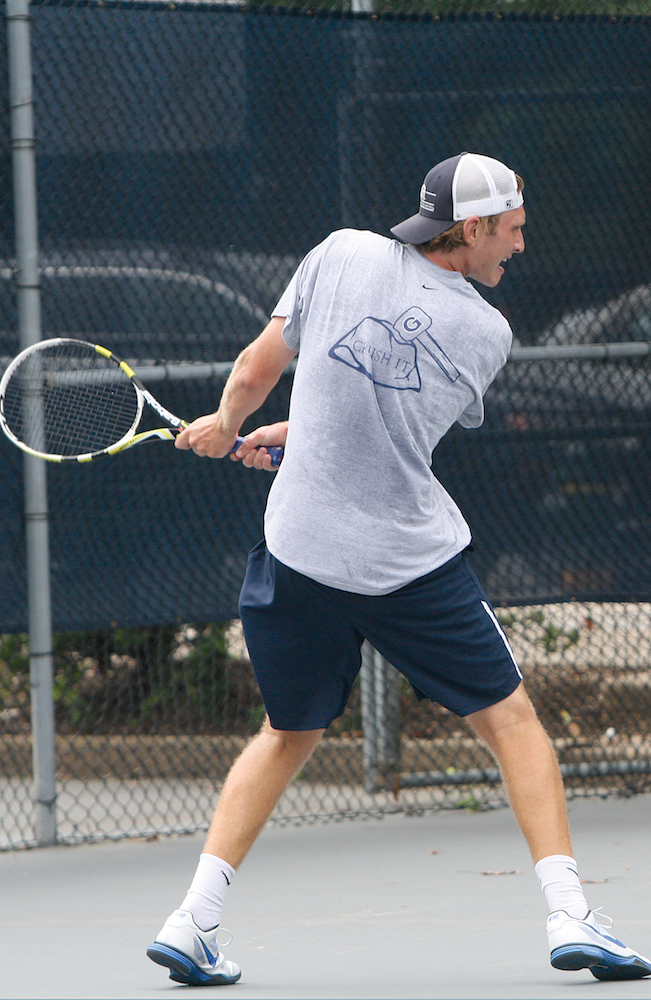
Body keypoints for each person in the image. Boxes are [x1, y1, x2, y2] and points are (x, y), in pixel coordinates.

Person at [146, 152, 651, 986]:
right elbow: (398, 435)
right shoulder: (485, 332)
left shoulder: (337, 251)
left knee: (285, 734)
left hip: (298, 551)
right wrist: (298, 440)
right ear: (475, 226)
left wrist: (228, 422)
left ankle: (191, 919)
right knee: (513, 722)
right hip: (404, 567)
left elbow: (257, 374)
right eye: (514, 230)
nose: (520, 248)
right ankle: (571, 915)